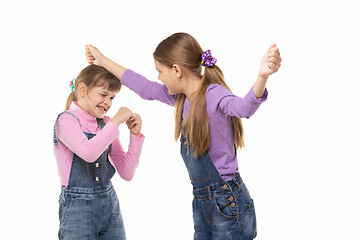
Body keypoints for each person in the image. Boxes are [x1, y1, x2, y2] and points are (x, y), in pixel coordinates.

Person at [85, 32, 281, 239]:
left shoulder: (213, 93)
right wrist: (102, 60)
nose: (158, 77)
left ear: (176, 70)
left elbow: (243, 108)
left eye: (160, 71)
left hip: (227, 200)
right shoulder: (181, 99)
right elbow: (144, 87)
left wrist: (262, 76)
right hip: (202, 200)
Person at [53, 64, 145, 240]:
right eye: (103, 95)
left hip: (109, 202)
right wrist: (116, 121)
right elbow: (89, 153)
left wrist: (135, 136)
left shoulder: (105, 124)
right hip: (77, 207)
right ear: (82, 89)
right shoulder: (66, 121)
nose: (108, 103)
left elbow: (126, 173)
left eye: (112, 97)